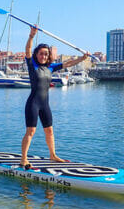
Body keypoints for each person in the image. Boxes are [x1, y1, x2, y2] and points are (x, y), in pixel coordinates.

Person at [20, 25, 90, 169]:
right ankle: (23, 159)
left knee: (49, 130)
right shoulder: (32, 64)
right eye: (41, 53)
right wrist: (31, 36)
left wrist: (82, 58)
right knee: (31, 131)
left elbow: (68, 63)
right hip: (33, 103)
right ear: (36, 54)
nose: (44, 56)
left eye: (46, 54)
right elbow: (27, 51)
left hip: (45, 104)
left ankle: (53, 155)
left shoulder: (51, 67)